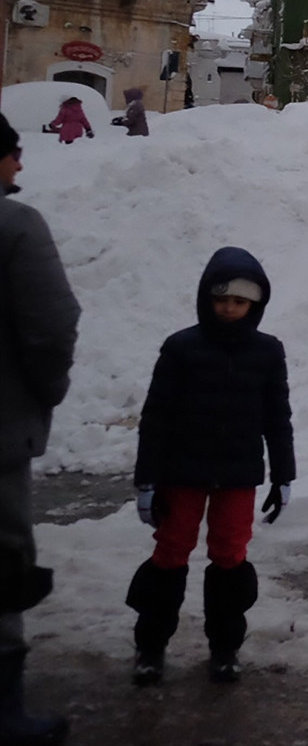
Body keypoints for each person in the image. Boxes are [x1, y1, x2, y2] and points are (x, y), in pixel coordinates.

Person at [126, 248, 294, 686]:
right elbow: (156, 416)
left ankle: (224, 648)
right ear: (206, 298)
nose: (229, 309)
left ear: (254, 305)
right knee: (171, 551)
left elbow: (277, 417)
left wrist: (283, 475)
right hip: (181, 472)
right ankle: (150, 646)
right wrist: (147, 479)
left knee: (229, 557)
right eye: (221, 299)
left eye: (240, 302)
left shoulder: (267, 352)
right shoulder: (181, 348)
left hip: (237, 476)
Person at [0, 114, 81, 745]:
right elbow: (52, 325)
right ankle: (4, 710)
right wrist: (43, 396)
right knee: (2, 559)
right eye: (12, 155)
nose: (19, 166)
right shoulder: (15, 226)